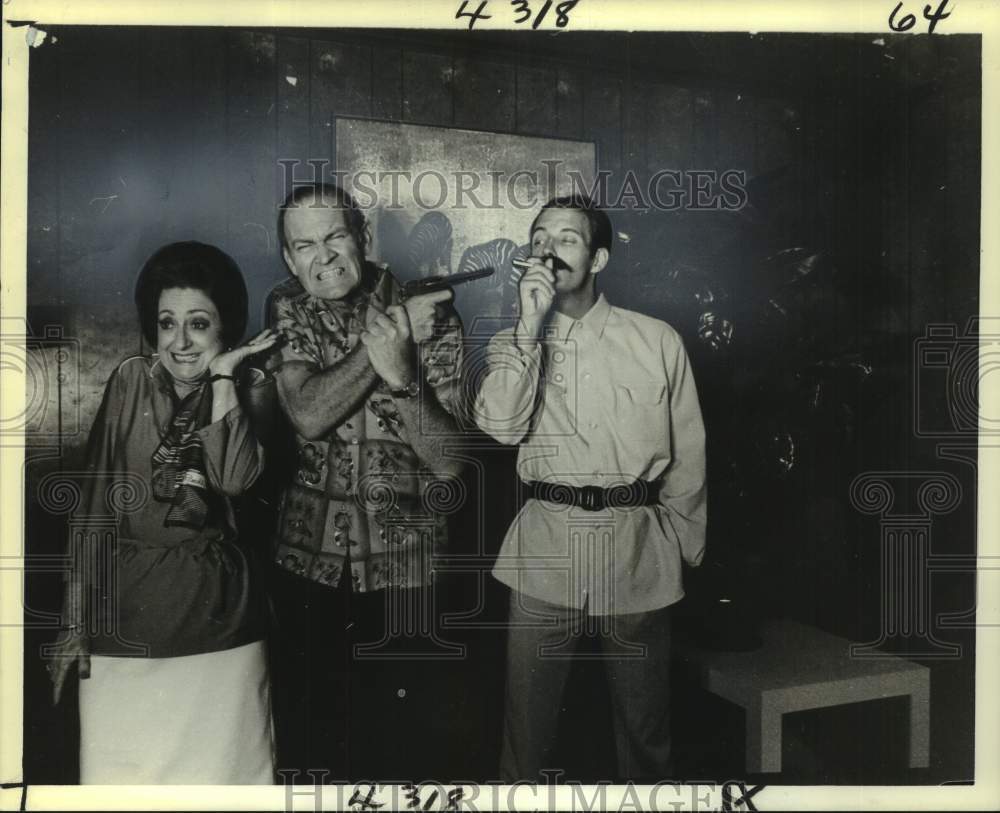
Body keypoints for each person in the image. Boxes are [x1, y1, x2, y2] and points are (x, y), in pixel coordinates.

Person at [473, 195, 707, 781]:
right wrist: (529, 326)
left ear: (598, 258)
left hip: (638, 553)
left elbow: (688, 456)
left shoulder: (657, 340)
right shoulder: (509, 342)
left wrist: (679, 550)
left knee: (646, 733)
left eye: (567, 239)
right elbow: (501, 429)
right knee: (527, 734)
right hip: (544, 553)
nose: (548, 250)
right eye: (538, 238)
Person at [46, 241, 279, 784]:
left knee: (224, 782)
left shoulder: (253, 389)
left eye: (199, 324)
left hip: (220, 627)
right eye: (166, 322)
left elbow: (233, 479)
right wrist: (73, 625)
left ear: (227, 327)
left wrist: (223, 379)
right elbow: (93, 510)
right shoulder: (130, 379)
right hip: (125, 619)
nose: (179, 341)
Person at [262, 182, 466, 779]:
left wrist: (402, 377)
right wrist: (382, 345)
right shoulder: (287, 303)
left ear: (364, 238)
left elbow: (451, 460)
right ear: (287, 258)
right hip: (308, 565)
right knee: (312, 748)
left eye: (335, 237)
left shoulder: (433, 308)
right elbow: (307, 414)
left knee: (403, 753)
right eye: (303, 246)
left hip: (408, 567)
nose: (321, 258)